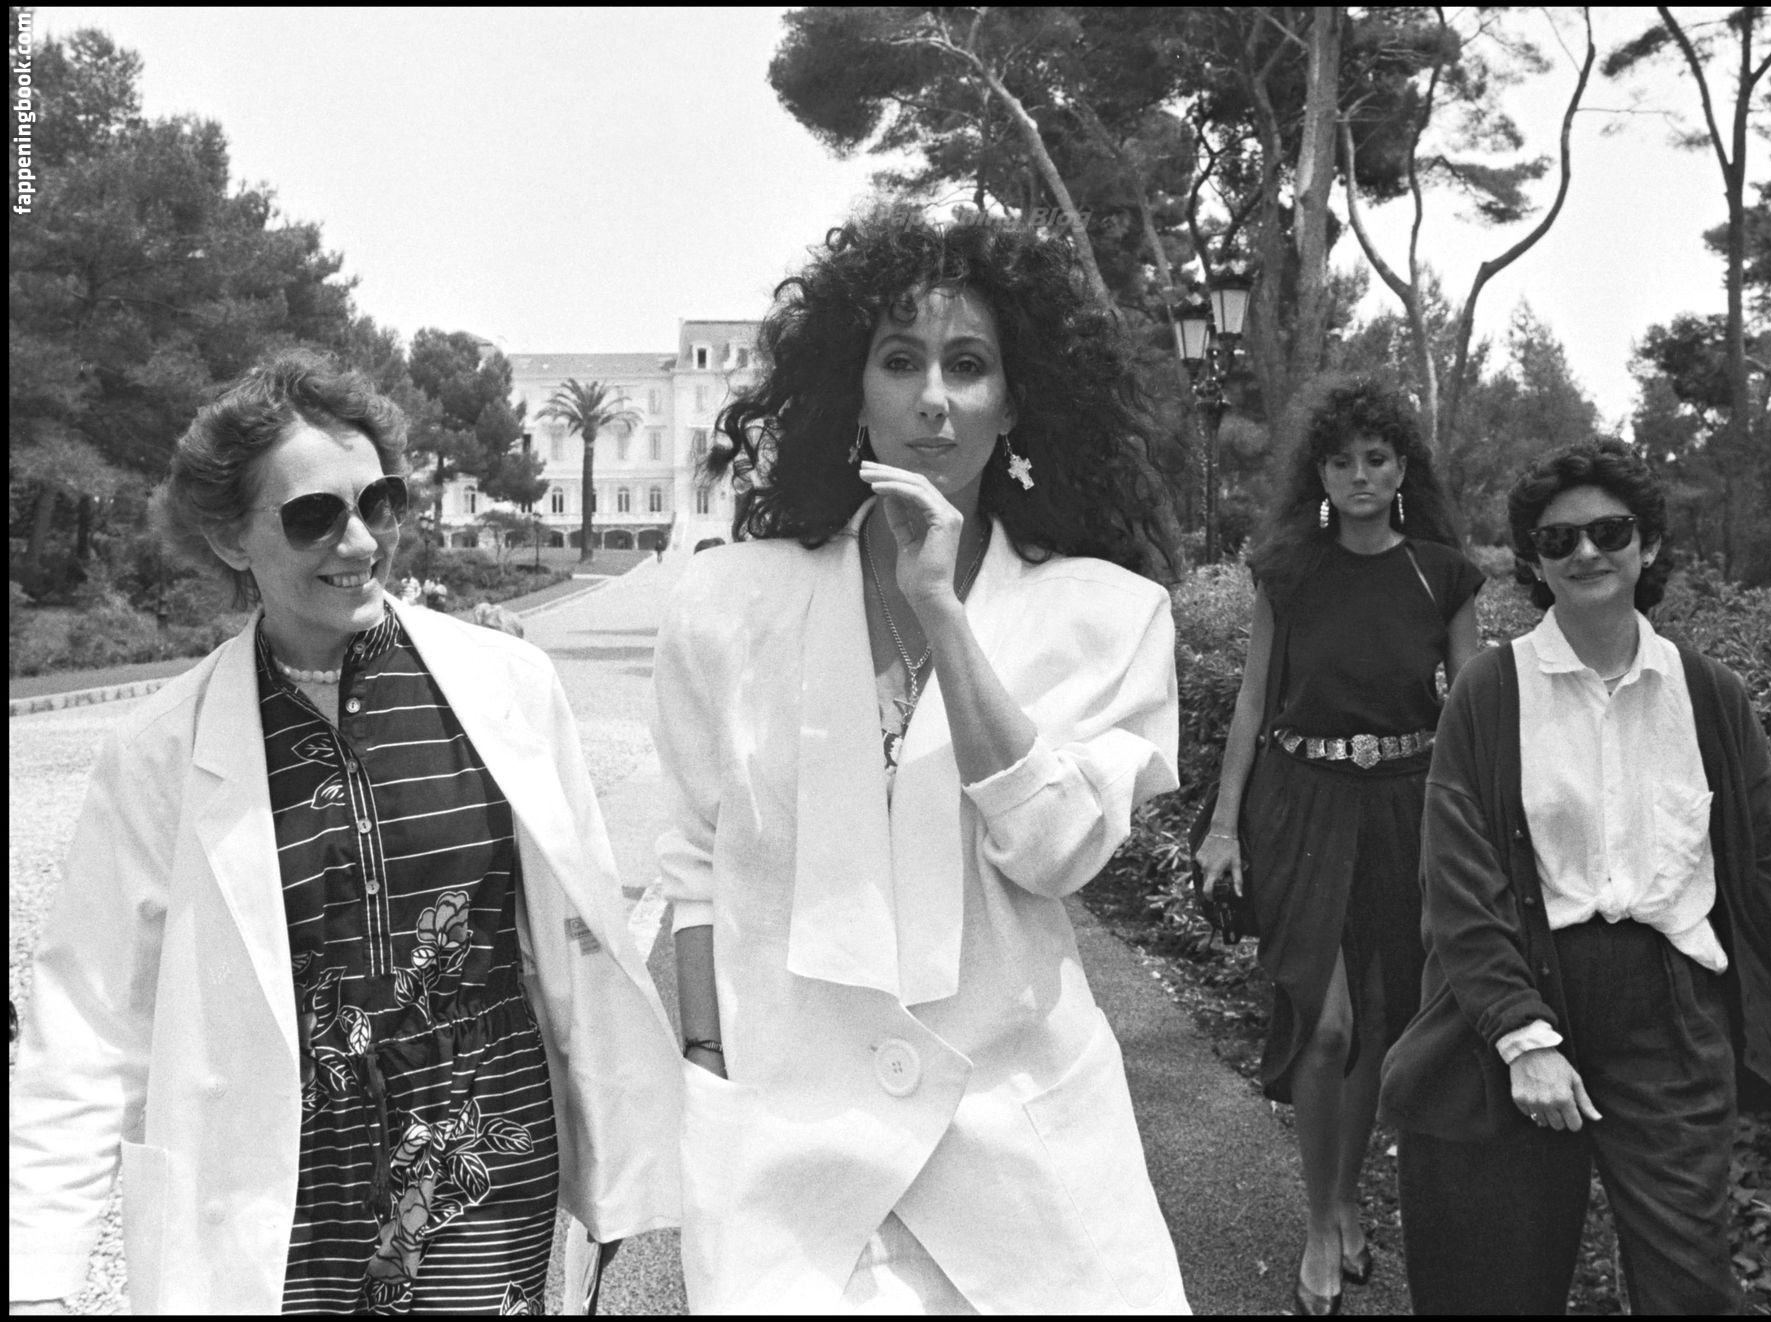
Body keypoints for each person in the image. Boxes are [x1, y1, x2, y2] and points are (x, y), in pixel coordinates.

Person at [8, 352, 681, 1316]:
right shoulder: (161, 750)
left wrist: (623, 1152)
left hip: (484, 1162)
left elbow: (582, 941)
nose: (360, 540)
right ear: (230, 538)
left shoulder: (508, 689)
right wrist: (37, 1276)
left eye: (380, 502)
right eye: (313, 515)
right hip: (278, 1186)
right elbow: (89, 1017)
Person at [652, 208, 1188, 1314]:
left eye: (968, 365)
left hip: (1025, 1169)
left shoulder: (1108, 617)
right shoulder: (727, 603)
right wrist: (707, 1062)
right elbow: (695, 861)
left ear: (1015, 402)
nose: (933, 396)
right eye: (900, 361)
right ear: (852, 392)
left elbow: (1054, 852)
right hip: (793, 1162)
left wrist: (941, 608)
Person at [1380, 439, 1771, 1315]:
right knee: (1495, 1287)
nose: (1586, 551)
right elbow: (1459, 883)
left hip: (1669, 1017)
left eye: (1611, 531)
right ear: (1534, 563)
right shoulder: (1491, 691)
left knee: (1687, 1284)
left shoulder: (1708, 694)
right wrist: (1522, 1038)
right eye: (1558, 540)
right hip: (1523, 999)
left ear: (1648, 544)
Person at [1195, 378, 1481, 1315]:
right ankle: (1320, 1223)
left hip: (1404, 807)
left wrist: (1480, 836)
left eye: (1376, 458)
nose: (1359, 475)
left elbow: (1473, 713)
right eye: (1341, 460)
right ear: (1318, 472)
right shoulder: (1289, 573)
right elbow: (1252, 702)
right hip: (1301, 805)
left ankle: (1348, 1194)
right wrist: (1224, 826)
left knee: (1379, 1021)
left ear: (1402, 469)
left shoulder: (1442, 575)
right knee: (1326, 1026)